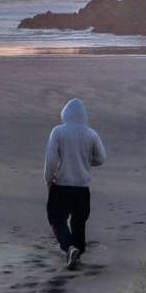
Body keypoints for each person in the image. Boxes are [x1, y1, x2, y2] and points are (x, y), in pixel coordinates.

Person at [44, 97, 106, 269]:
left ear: (65, 114)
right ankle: (77, 253)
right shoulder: (91, 133)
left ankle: (69, 248)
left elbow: (50, 160)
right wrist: (86, 162)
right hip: (82, 187)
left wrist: (48, 179)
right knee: (79, 222)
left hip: (61, 184)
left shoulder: (58, 132)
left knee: (57, 219)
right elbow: (101, 158)